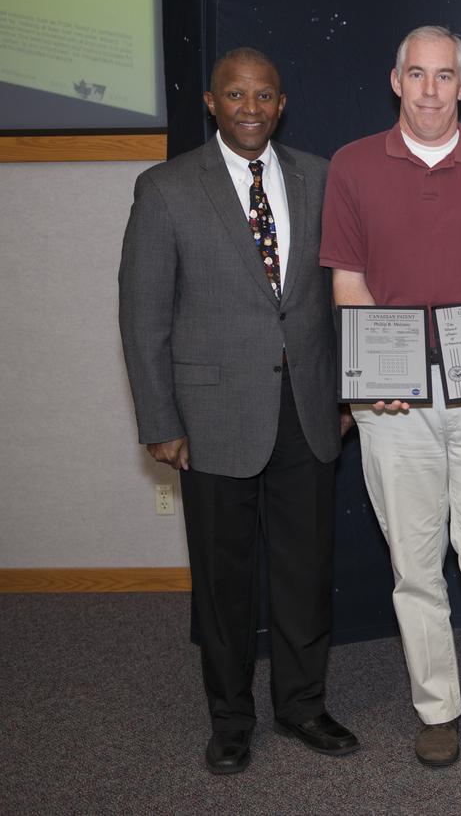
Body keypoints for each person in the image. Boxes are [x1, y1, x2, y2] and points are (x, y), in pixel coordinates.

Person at [118, 47, 359, 774]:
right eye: (235, 95)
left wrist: (347, 390)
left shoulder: (322, 178)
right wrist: (160, 420)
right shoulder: (164, 189)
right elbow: (143, 315)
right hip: (212, 415)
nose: (250, 107)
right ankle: (229, 718)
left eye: (263, 96)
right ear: (212, 103)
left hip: (309, 410)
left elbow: (345, 294)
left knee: (303, 571)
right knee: (224, 583)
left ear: (281, 104)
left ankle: (302, 704)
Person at [319, 25, 461, 767]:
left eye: (445, 76)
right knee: (414, 565)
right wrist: (371, 379)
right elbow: (349, 283)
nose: (431, 90)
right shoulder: (351, 166)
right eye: (417, 75)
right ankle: (437, 707)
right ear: (396, 81)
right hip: (395, 404)